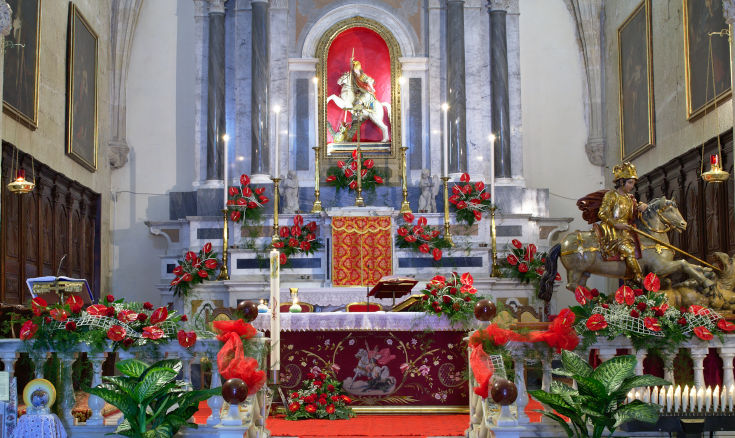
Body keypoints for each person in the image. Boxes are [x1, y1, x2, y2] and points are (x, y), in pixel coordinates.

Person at [597, 162, 648, 285]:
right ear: (621, 182)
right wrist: (615, 224)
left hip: (627, 230)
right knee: (629, 251)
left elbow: (634, 214)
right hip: (614, 230)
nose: (631, 186)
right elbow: (602, 213)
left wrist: (641, 207)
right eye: (630, 182)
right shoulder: (611, 195)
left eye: (633, 183)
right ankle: (638, 278)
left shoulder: (630, 198)